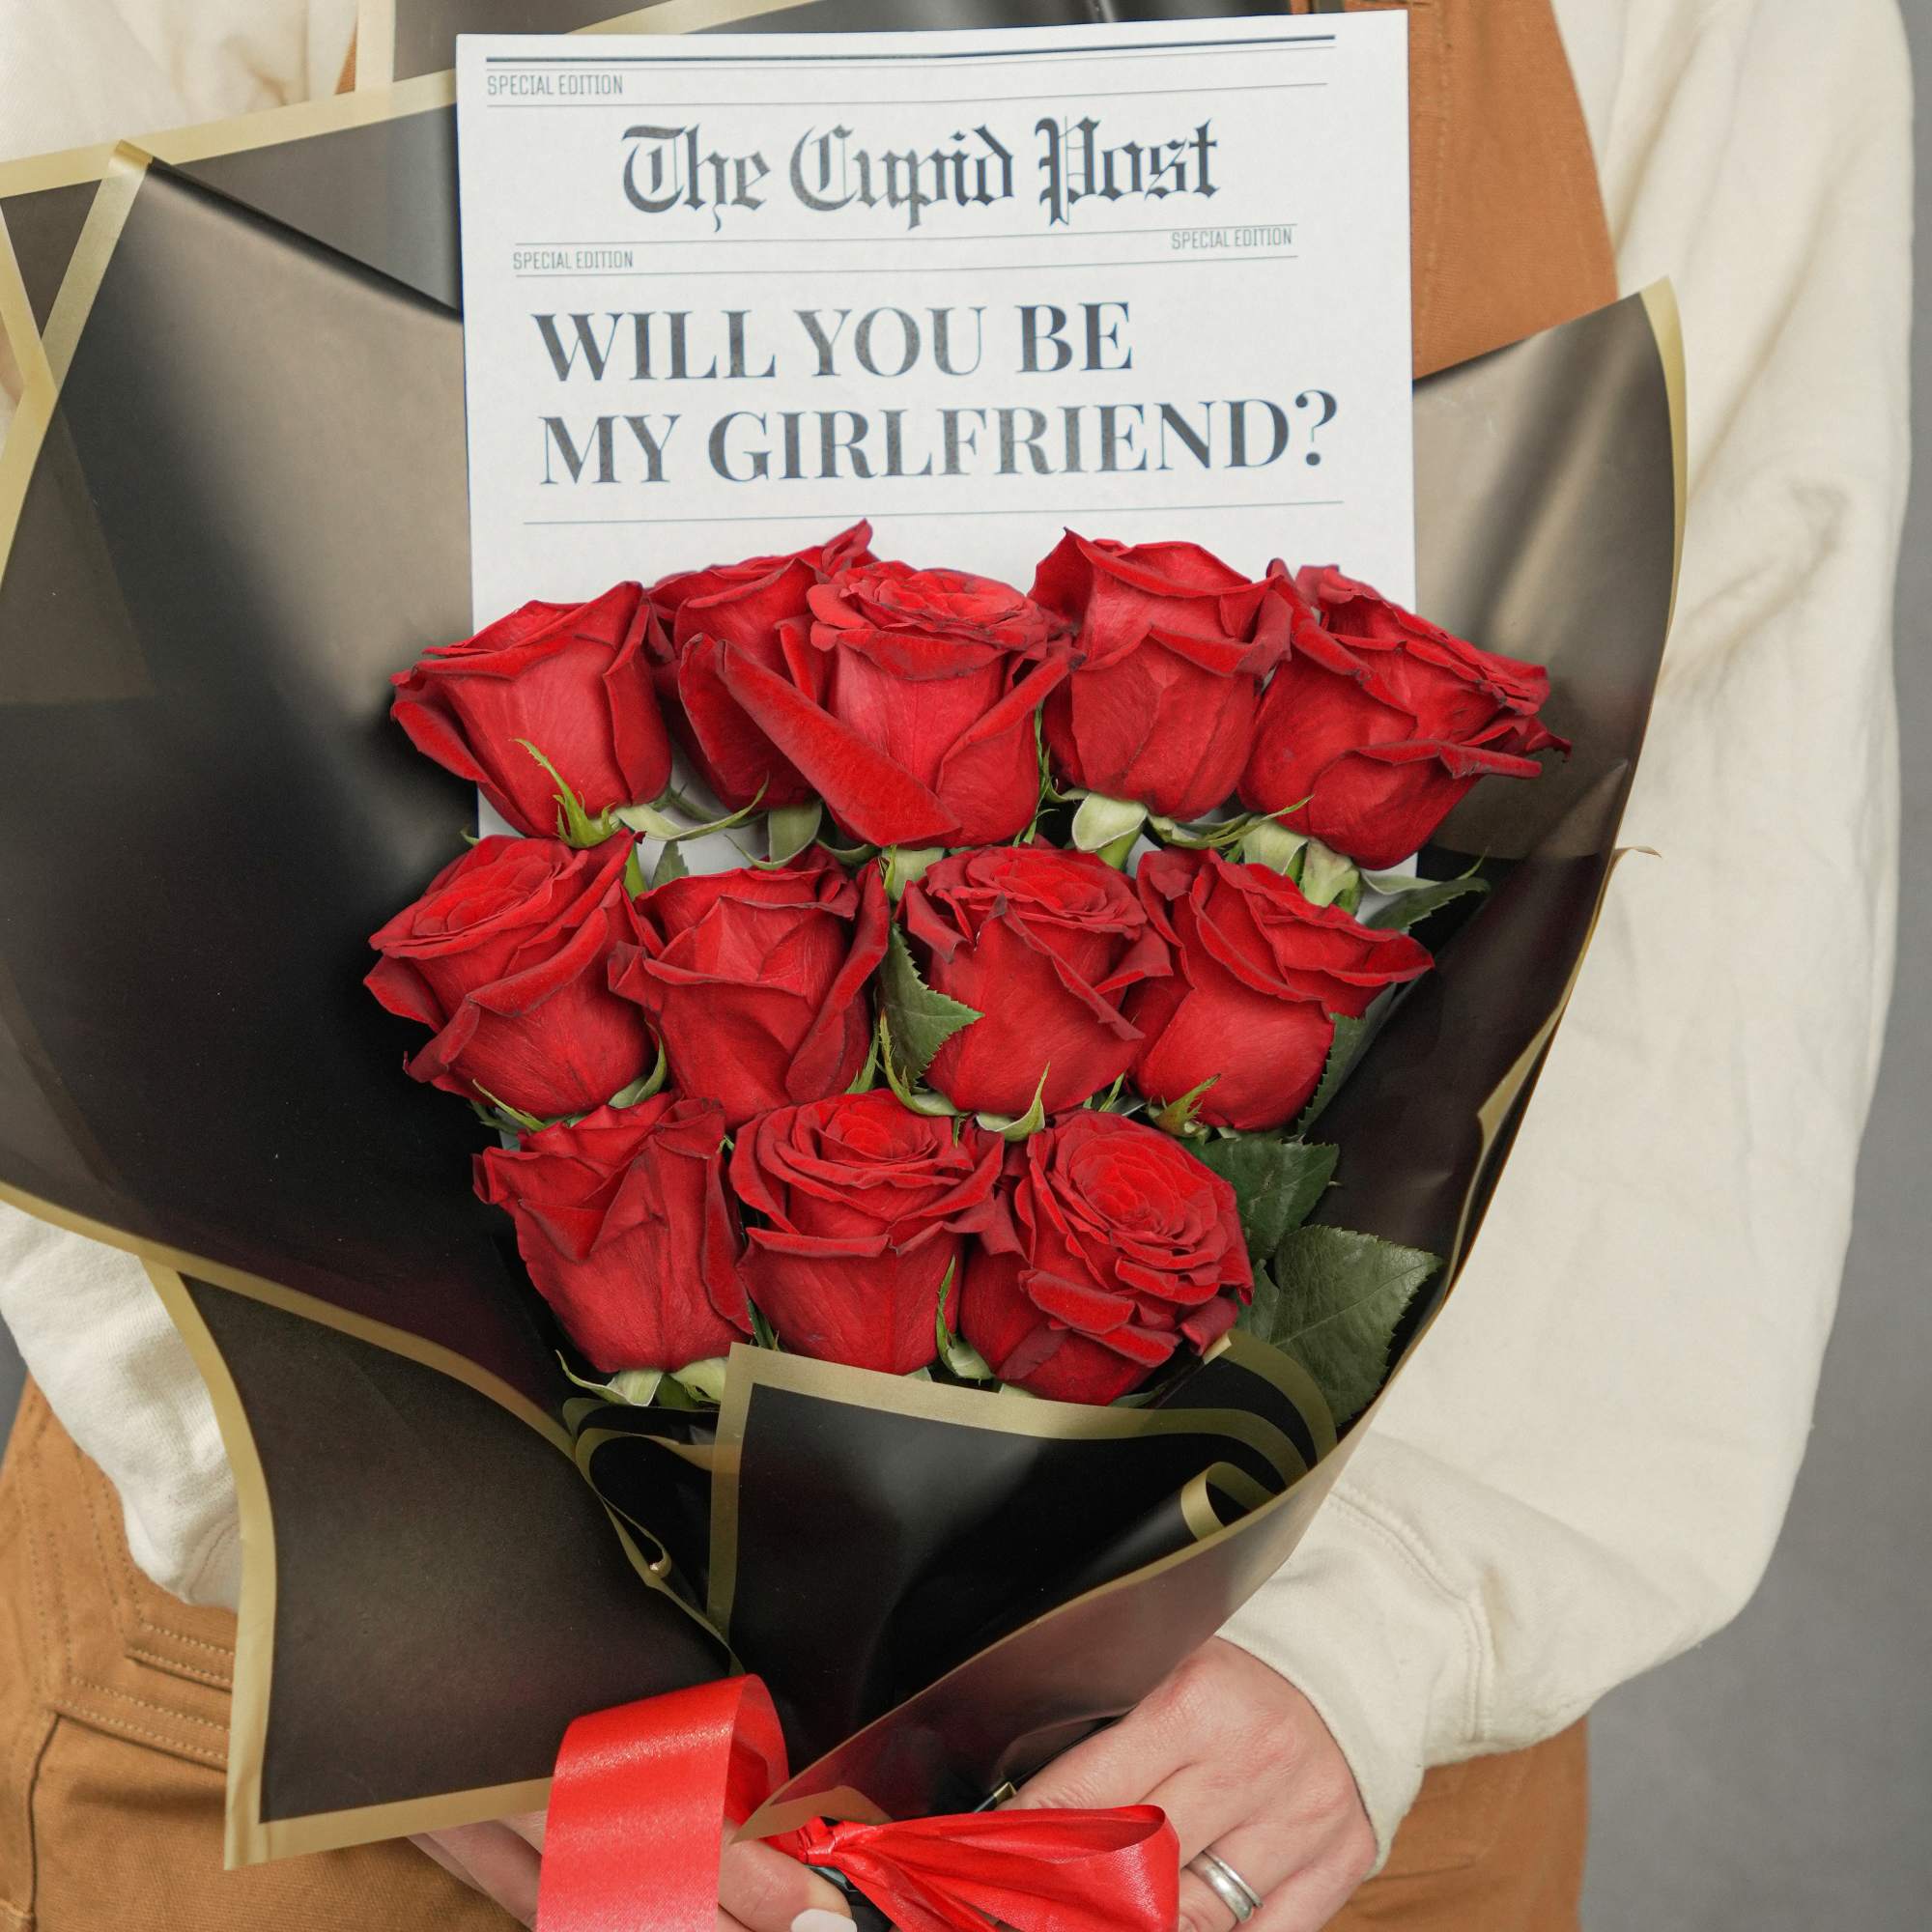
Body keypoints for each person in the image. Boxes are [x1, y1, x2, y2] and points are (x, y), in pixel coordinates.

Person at [0, 0, 1911, 1927]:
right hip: (393, 1760)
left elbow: (1731, 785)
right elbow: (40, 556)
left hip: (1271, 1800)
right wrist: (394, 1616)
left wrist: (1383, 1625)